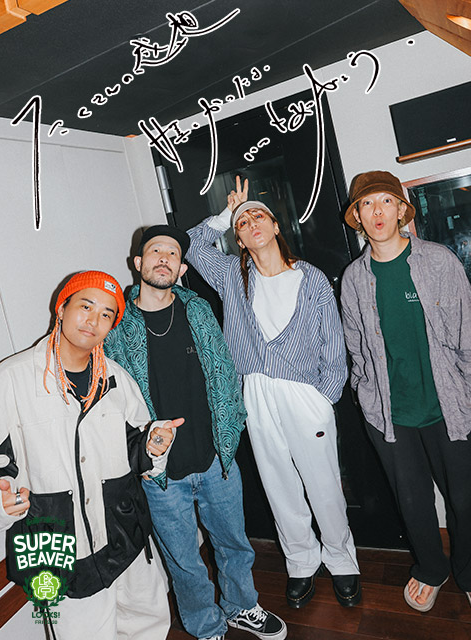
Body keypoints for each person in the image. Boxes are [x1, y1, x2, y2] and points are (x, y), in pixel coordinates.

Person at [186, 177, 361, 609]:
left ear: (276, 226)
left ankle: (341, 560)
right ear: (239, 238)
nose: (251, 223)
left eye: (258, 216)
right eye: (243, 223)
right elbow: (192, 247)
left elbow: (333, 344)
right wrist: (225, 214)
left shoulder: (311, 278)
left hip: (306, 395)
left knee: (324, 484)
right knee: (278, 484)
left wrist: (324, 398)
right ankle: (301, 561)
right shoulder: (232, 275)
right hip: (256, 393)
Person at [104, 226, 286, 640]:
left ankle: (241, 606)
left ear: (182, 268)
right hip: (160, 472)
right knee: (184, 560)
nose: (164, 258)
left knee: (234, 544)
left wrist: (231, 430)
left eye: (173, 253)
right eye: (156, 251)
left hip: (216, 458)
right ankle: (206, 626)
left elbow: (223, 369)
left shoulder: (198, 310)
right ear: (138, 263)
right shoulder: (117, 324)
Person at [0, 270, 180, 640]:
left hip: (125, 536)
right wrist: (0, 503)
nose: (94, 320)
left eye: (106, 313)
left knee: (149, 624)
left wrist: (153, 447)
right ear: (62, 308)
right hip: (56, 544)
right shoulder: (11, 379)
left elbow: (135, 447)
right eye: (86, 306)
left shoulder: (117, 379)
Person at [340, 170, 471, 612]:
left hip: (449, 406)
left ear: (401, 210)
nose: (377, 211)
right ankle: (431, 569)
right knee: (413, 503)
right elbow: (357, 348)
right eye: (367, 204)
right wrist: (366, 396)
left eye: (385, 201)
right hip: (390, 415)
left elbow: (467, 334)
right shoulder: (353, 279)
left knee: (465, 500)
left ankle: (469, 570)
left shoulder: (439, 261)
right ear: (358, 216)